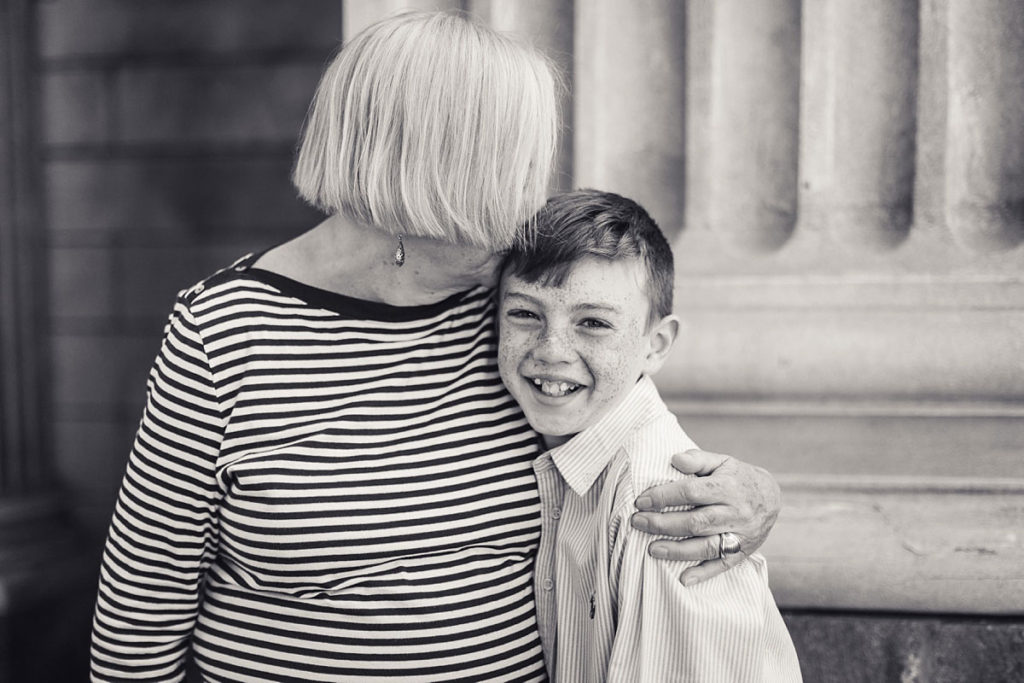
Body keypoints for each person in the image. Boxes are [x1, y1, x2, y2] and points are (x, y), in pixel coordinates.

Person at [90, 11, 781, 682]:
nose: (528, 196)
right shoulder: (222, 329)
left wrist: (757, 495)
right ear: (435, 169)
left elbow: (636, 424)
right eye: (516, 164)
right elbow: (139, 619)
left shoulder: (518, 307)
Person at [497, 189, 801, 682]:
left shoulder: (659, 507)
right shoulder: (568, 450)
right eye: (525, 314)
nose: (551, 350)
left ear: (655, 346)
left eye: (593, 323)